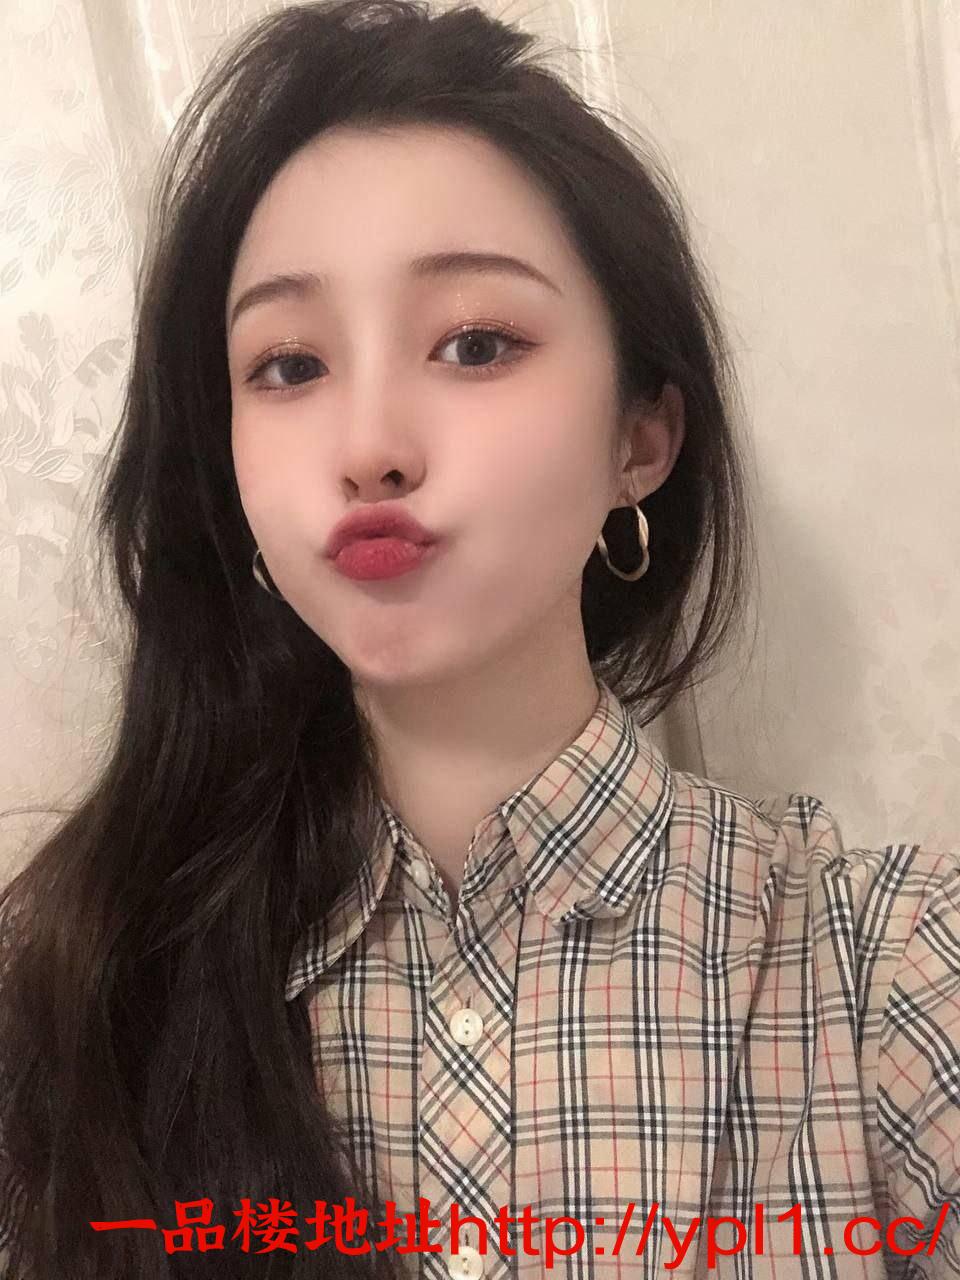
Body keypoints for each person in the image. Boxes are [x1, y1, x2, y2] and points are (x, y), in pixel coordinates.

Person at [0, 0, 958, 1276]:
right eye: (288, 366)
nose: (369, 446)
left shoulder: (882, 971)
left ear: (641, 439)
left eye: (475, 342)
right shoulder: (80, 989)